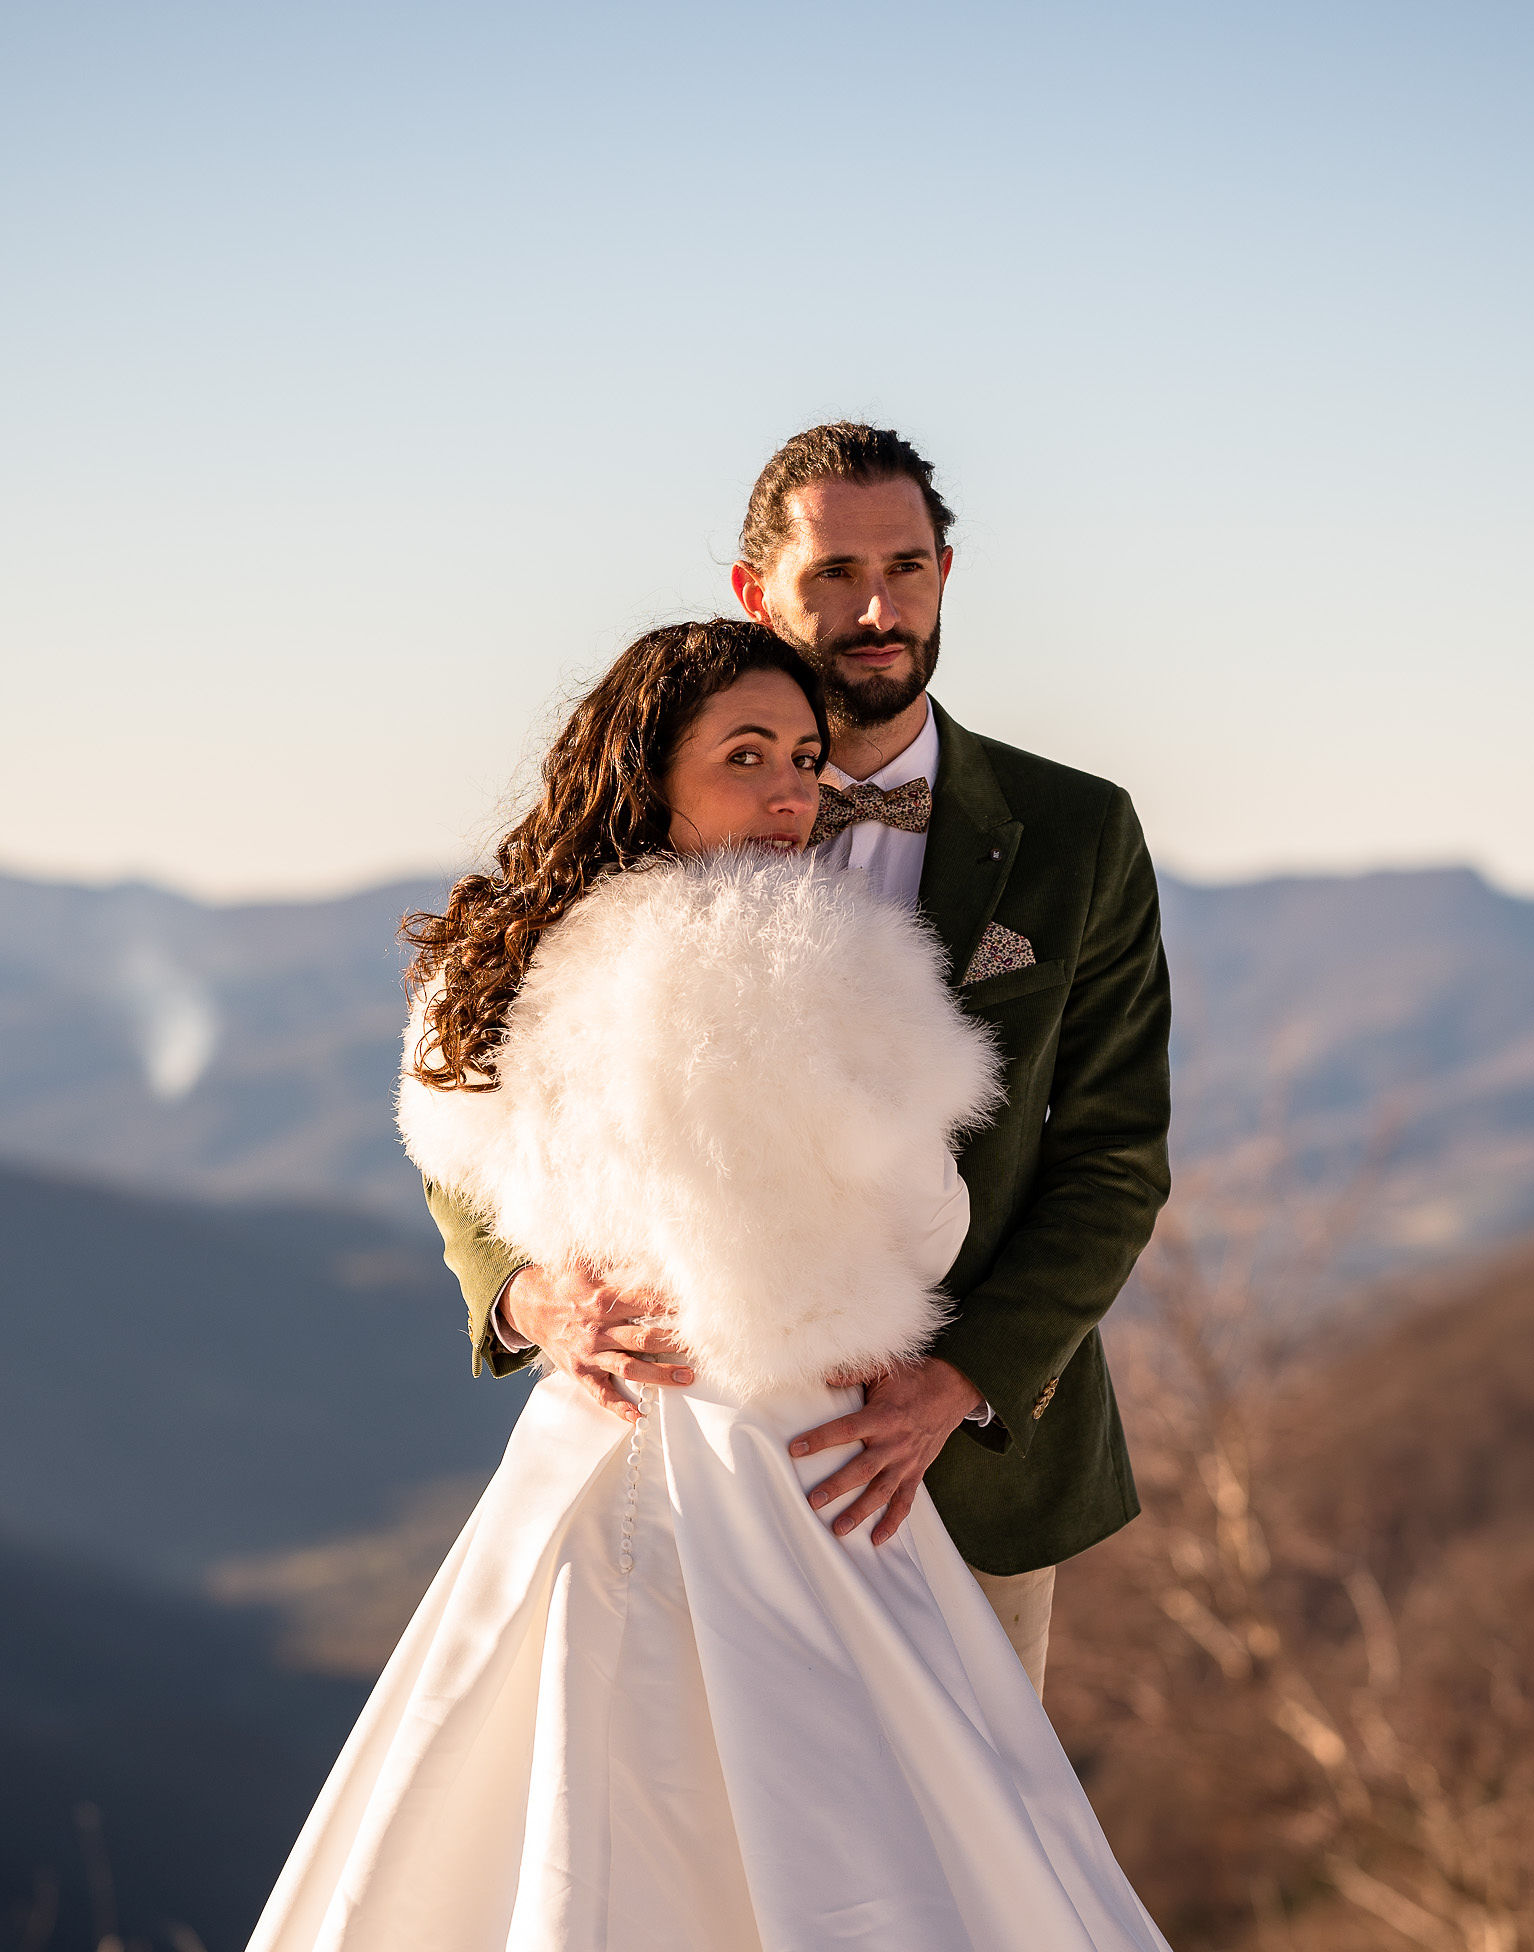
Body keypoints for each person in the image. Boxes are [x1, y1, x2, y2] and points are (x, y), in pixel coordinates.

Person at [0, 617, 1497, 1952]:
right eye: (751, 759)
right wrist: (578, 1293)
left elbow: (471, 1142)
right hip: (778, 1477)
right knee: (884, 1922)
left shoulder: (524, 963)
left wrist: (579, 1282)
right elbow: (893, 1225)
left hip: (647, 1474)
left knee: (542, 1900)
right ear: (656, 772)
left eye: (802, 761)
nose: (793, 794)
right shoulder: (810, 976)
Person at [427, 422, 1174, 1697]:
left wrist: (961, 1380)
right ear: (753, 589)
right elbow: (474, 1078)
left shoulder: (1075, 831)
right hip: (689, 1454)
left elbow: (1112, 1153)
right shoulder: (646, 802)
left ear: (947, 572)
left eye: (906, 567)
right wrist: (523, 1293)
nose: (875, 607)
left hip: (964, 1463)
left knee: (974, 1871)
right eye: (832, 572)